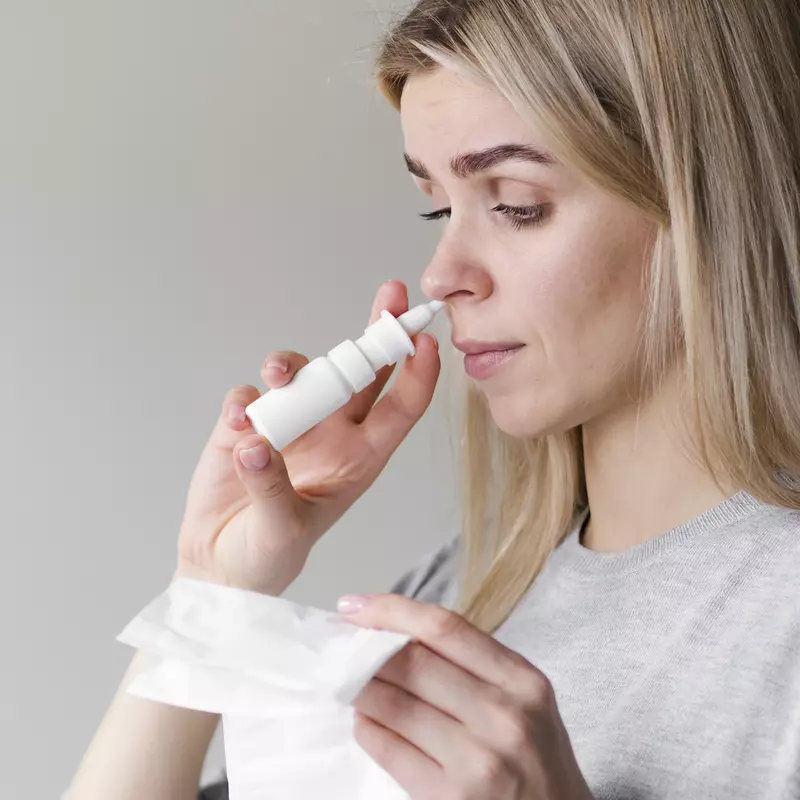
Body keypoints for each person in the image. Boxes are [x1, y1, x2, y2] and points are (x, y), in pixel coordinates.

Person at [67, 0, 800, 797]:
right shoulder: (463, 588)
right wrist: (211, 590)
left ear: (707, 205)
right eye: (438, 207)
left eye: (517, 204)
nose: (442, 274)